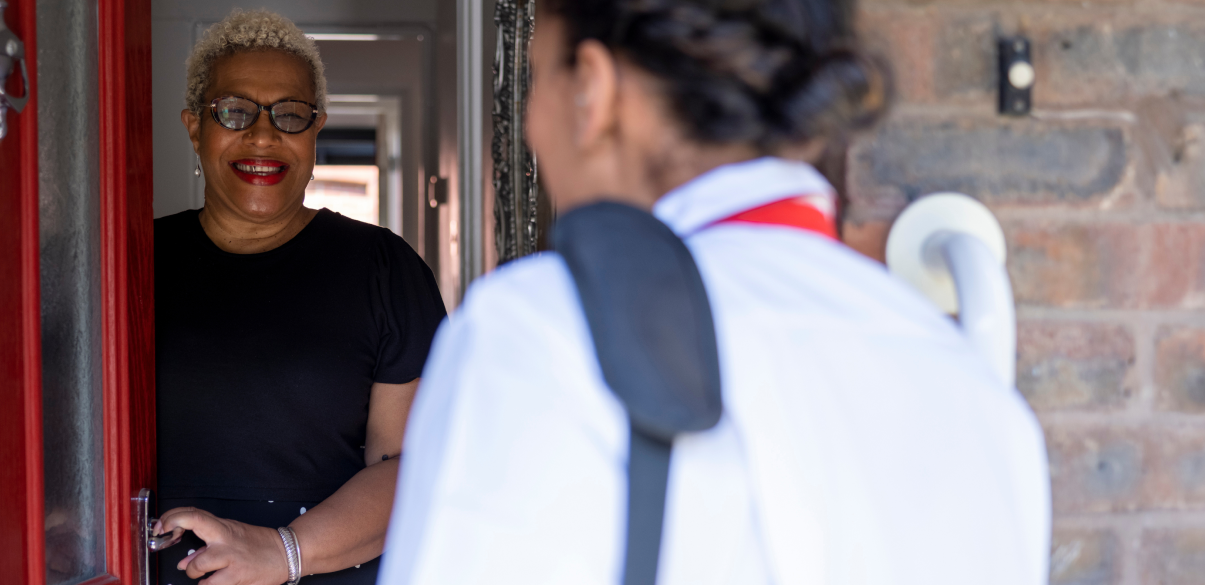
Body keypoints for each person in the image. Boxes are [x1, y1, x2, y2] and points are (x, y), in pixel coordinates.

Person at [380, 0, 1050, 583]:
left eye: (534, 81)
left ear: (594, 92)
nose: (530, 125)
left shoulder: (550, 332)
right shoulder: (980, 394)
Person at [152, 9, 446, 585]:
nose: (263, 136)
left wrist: (281, 553)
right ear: (194, 127)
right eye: (234, 112)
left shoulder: (383, 271)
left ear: (316, 131)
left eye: (290, 115)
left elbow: (411, 470)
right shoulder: (130, 260)